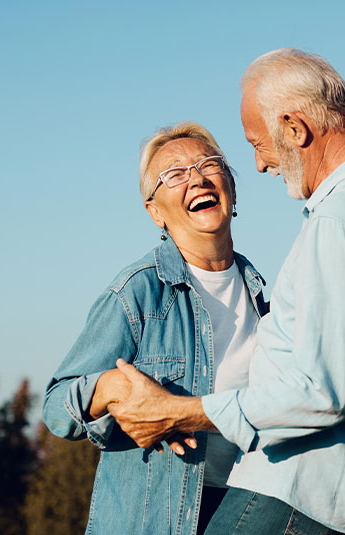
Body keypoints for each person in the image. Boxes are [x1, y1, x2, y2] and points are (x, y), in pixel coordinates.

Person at [108, 48, 345, 535]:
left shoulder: (337, 222)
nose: (259, 164)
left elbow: (321, 395)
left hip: (291, 493)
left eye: (259, 143)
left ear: (295, 129)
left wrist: (178, 412)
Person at [42, 122, 269, 535]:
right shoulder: (137, 292)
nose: (197, 177)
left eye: (209, 164)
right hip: (159, 519)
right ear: (155, 211)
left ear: (232, 189)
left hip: (244, 506)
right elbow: (57, 406)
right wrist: (110, 387)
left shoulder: (263, 295)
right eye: (174, 174)